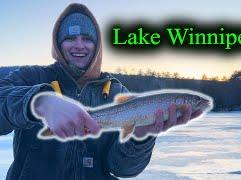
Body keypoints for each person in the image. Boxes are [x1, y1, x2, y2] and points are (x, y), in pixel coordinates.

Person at [0, 3, 201, 180]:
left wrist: (141, 136)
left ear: (97, 46)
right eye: (70, 38)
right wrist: (38, 102)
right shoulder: (31, 77)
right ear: (58, 44)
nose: (79, 45)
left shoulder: (116, 91)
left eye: (87, 38)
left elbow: (122, 169)